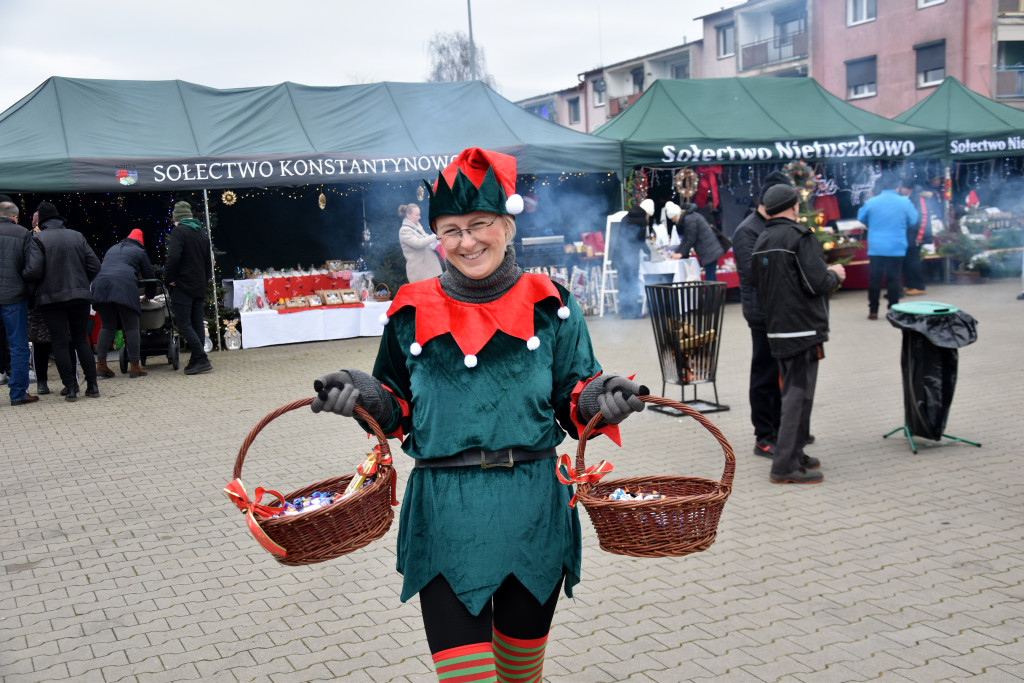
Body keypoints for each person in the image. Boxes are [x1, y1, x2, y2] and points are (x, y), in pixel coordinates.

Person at [309, 147, 646, 681]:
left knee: (519, 676)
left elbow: (573, 393)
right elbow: (395, 404)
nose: (467, 242)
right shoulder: (410, 308)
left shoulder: (552, 303)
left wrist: (604, 398)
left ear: (507, 225)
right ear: (436, 237)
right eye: (451, 231)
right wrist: (359, 393)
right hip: (446, 513)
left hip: (533, 510)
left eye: (479, 225)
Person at [751, 184, 845, 484]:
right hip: (802, 328)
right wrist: (835, 275)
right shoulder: (799, 237)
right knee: (797, 396)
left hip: (777, 329)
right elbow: (817, 282)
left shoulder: (762, 239)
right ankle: (784, 466)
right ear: (793, 206)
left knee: (795, 393)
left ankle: (795, 453)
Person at [731, 171, 791, 458]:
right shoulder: (747, 230)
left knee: (782, 374)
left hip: (782, 311)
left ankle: (782, 427)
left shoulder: (776, 225)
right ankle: (764, 435)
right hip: (762, 313)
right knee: (765, 375)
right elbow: (755, 273)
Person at [22, 202, 101, 402]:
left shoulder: (38, 239)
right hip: (80, 297)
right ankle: (92, 385)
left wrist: (25, 278)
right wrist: (82, 283)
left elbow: (34, 270)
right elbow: (95, 265)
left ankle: (71, 388)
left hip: (52, 298)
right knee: (81, 340)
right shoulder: (77, 236)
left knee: (59, 343)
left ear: (41, 221)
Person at [91, 228, 156, 379]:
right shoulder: (139, 251)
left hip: (100, 286)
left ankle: (101, 364)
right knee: (131, 327)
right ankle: (135, 367)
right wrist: (149, 295)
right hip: (124, 286)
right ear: (140, 242)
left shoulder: (112, 248)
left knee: (107, 326)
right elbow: (150, 276)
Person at [857, 172, 917, 320]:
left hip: (876, 246)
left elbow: (861, 218)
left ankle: (873, 311)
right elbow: (913, 220)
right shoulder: (905, 202)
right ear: (898, 186)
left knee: (875, 278)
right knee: (894, 279)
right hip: (896, 246)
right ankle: (893, 310)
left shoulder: (872, 202)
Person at [165, 201, 212, 375]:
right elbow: (208, 263)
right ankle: (196, 360)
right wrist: (204, 281)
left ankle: (202, 358)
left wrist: (169, 279)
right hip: (199, 286)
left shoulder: (179, 232)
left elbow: (173, 257)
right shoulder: (202, 234)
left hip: (183, 286)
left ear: (177, 219)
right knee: (197, 323)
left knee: (184, 324)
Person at [0, 200, 38, 405]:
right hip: (14, 297)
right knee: (18, 346)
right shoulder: (23, 233)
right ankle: (18, 393)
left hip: (12, 295)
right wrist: (26, 290)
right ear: (14, 217)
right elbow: (33, 267)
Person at [613, 197, 654, 318]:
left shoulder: (626, 217)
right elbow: (640, 241)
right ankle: (634, 312)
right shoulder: (642, 220)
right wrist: (648, 252)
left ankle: (625, 312)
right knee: (632, 281)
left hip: (619, 255)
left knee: (623, 283)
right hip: (631, 257)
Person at [667, 201, 726, 281]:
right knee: (711, 277)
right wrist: (677, 252)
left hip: (709, 250)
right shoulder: (690, 217)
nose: (672, 221)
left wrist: (680, 254)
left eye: (672, 218)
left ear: (675, 215)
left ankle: (712, 290)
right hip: (710, 249)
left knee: (710, 279)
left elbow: (690, 239)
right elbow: (686, 239)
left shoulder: (689, 219)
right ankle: (713, 289)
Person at [899, 178, 933, 297]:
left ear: (907, 188)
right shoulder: (907, 197)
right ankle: (909, 284)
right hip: (909, 234)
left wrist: (920, 235)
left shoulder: (919, 197)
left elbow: (924, 217)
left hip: (917, 235)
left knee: (914, 261)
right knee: (907, 261)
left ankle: (918, 286)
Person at [397, 203, 442, 282]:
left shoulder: (417, 226)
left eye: (419, 214)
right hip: (421, 272)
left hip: (430, 269)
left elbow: (425, 238)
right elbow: (418, 244)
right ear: (408, 215)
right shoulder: (404, 230)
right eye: (417, 215)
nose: (419, 217)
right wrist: (435, 236)